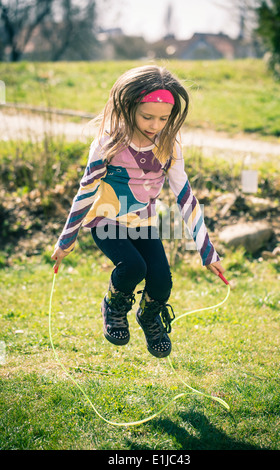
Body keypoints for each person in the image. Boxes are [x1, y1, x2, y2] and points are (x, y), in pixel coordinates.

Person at [51, 65, 225, 358]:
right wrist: (66, 240)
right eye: (147, 116)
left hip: (143, 224)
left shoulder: (169, 146)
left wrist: (207, 251)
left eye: (163, 118)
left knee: (162, 282)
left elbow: (185, 197)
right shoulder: (108, 143)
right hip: (106, 221)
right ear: (129, 107)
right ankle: (114, 305)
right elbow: (86, 190)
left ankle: (148, 317)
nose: (155, 125)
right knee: (133, 267)